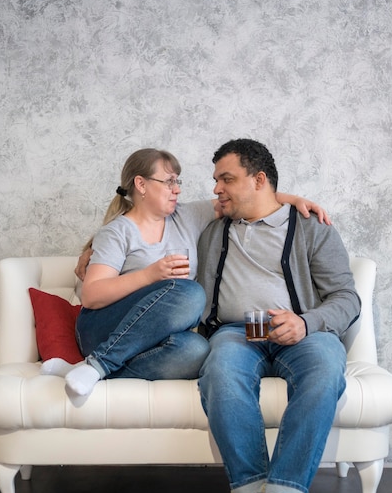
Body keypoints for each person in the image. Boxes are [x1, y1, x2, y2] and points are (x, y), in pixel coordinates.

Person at [43, 146, 329, 398]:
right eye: (168, 181)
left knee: (197, 351)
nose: (177, 188)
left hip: (150, 340)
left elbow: (246, 198)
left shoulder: (188, 216)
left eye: (177, 181)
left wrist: (293, 199)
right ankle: (98, 362)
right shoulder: (117, 232)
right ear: (141, 185)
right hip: (102, 329)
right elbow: (92, 296)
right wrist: (151, 275)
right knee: (191, 293)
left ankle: (88, 369)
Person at [196, 138, 361, 493]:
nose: (217, 189)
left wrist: (305, 322)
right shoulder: (213, 226)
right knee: (220, 373)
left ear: (259, 179)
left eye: (226, 179)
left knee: (326, 369)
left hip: (303, 332)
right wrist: (91, 253)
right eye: (215, 180)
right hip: (236, 333)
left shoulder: (312, 227)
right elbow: (140, 215)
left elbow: (346, 298)